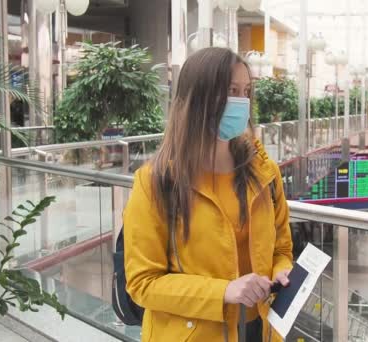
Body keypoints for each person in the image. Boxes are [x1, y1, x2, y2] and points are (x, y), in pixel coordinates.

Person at [123, 48, 293, 342]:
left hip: (260, 330)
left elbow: (281, 249)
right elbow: (142, 283)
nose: (242, 102)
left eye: (246, 91)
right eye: (230, 91)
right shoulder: (155, 182)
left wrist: (282, 271)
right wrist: (224, 292)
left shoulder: (264, 173)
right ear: (197, 99)